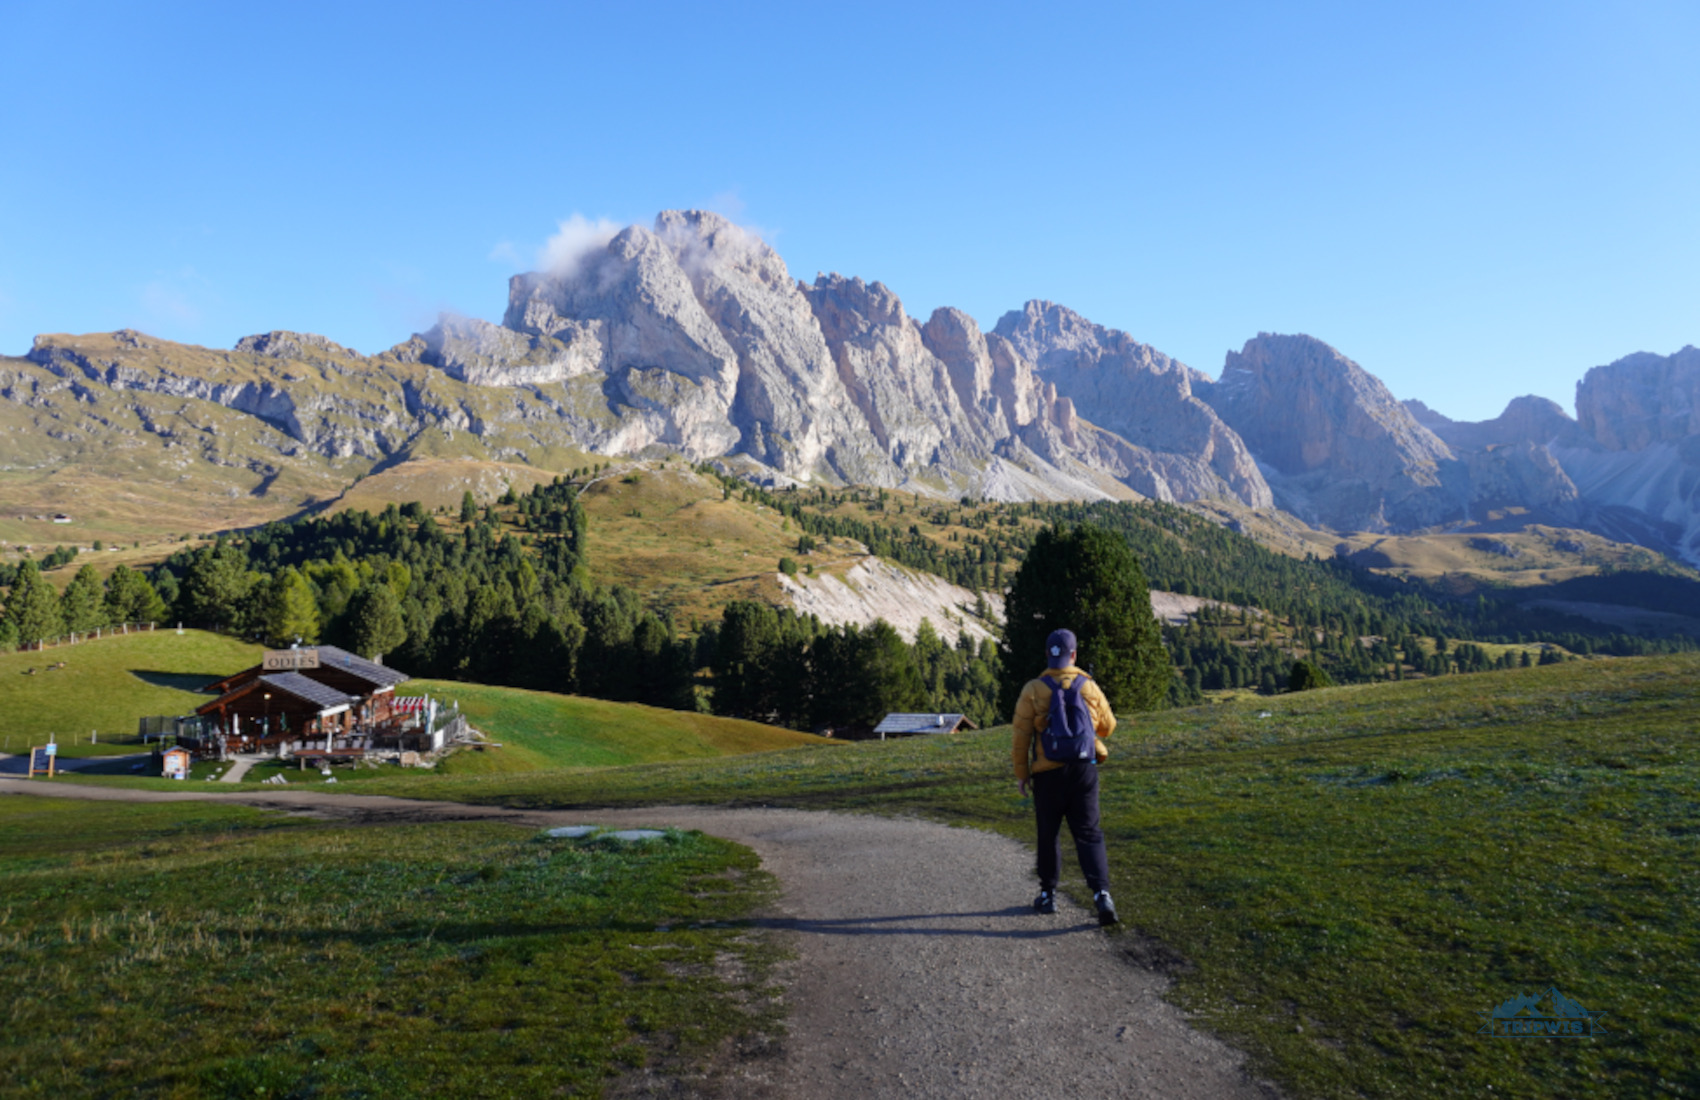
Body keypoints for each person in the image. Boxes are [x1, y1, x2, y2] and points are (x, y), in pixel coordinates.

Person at [1012, 627, 1118, 925]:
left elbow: (1020, 737)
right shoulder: (1089, 686)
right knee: (1088, 832)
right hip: (1084, 770)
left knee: (1048, 834)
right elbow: (1109, 726)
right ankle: (1102, 895)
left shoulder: (1033, 689)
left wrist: (1022, 774)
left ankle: (1048, 896)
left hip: (1047, 774)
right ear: (1074, 655)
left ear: (1048, 654)